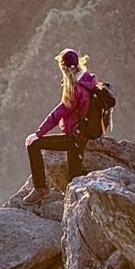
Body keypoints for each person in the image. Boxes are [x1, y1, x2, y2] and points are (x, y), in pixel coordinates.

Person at [26, 48, 99, 194]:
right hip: (82, 135)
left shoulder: (75, 89)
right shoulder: (88, 80)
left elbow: (58, 113)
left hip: (73, 138)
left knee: (33, 145)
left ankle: (40, 189)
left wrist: (38, 134)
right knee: (74, 179)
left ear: (64, 68)